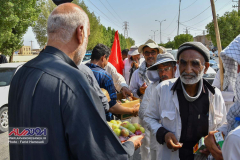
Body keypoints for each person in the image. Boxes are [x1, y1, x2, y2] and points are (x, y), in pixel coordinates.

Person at [8, 3, 143, 160]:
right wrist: (129, 145)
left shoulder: (20, 73)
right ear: (80, 32)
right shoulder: (72, 80)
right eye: (88, 35)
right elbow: (100, 154)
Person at [144, 42, 226, 160]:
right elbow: (149, 117)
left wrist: (214, 143)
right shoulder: (163, 90)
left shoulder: (214, 95)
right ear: (177, 65)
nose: (188, 70)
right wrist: (163, 134)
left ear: (206, 67)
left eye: (195, 64)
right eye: (183, 63)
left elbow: (223, 128)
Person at [204, 35, 240, 160]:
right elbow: (235, 118)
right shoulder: (222, 73)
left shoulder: (236, 139)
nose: (236, 71)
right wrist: (221, 132)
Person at [86, 43, 139, 121]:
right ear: (103, 57)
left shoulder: (81, 69)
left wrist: (123, 87)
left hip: (85, 116)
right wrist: (132, 110)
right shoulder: (105, 75)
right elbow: (112, 106)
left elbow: (117, 78)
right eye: (107, 59)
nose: (107, 62)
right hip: (102, 119)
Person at [139, 53, 177, 160]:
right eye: (160, 70)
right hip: (157, 141)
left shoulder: (183, 87)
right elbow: (143, 113)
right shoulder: (151, 89)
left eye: (167, 69)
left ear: (174, 69)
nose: (163, 73)